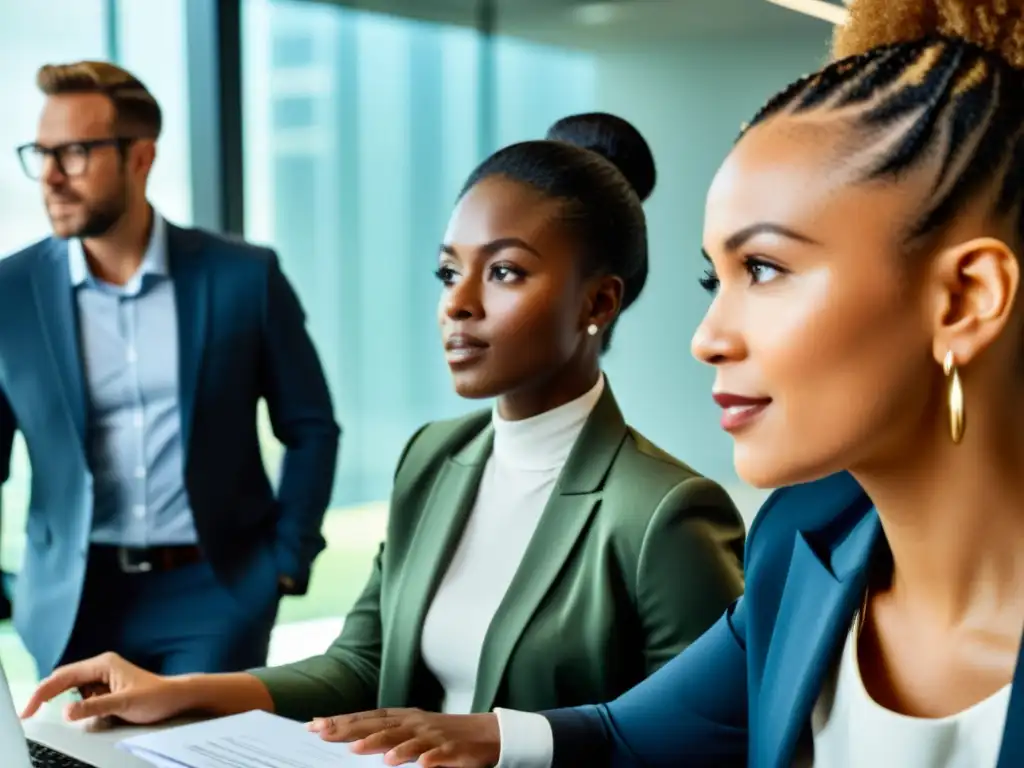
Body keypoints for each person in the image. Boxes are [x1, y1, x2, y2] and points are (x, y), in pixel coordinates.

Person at [242, 0, 1024, 766]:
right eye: (711, 279)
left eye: (763, 268)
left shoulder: (683, 515)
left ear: (964, 299)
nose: (707, 338)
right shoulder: (802, 541)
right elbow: (628, 732)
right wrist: (482, 737)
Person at [20, 112, 747, 765]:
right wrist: (179, 691)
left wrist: (510, 743)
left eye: (503, 272)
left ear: (599, 301)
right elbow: (360, 665)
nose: (457, 305)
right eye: (447, 271)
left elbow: (713, 739)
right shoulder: (433, 459)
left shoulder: (665, 511)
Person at [0, 61, 340, 678]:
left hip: (215, 592)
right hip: (73, 600)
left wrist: (287, 559)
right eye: (40, 153)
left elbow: (311, 426)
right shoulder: (9, 292)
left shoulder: (244, 276)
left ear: (140, 157)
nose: (50, 176)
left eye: (74, 153)